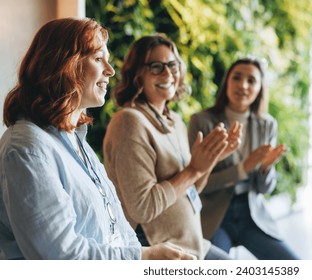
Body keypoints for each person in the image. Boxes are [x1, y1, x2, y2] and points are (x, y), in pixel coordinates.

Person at [0, 17, 194, 260]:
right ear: (64, 65)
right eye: (99, 59)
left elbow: (120, 230)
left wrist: (143, 256)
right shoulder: (28, 148)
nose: (111, 70)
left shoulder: (75, 140)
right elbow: (59, 256)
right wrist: (142, 259)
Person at [102, 35, 241, 260]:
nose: (168, 74)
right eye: (156, 67)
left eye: (173, 65)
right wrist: (193, 169)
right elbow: (142, 208)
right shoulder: (129, 121)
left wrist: (210, 159)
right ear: (137, 74)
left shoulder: (174, 120)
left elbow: (191, 188)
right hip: (158, 249)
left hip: (192, 243)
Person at [188, 56, 299, 260]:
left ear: (259, 89)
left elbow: (265, 189)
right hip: (214, 217)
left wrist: (265, 168)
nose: (243, 85)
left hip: (252, 216)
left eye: (251, 81)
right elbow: (194, 183)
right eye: (237, 78)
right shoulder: (202, 121)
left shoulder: (267, 125)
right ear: (227, 82)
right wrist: (243, 168)